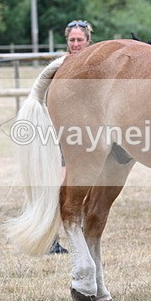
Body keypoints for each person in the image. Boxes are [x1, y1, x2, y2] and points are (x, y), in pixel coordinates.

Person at [49, 20, 94, 254]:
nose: (75, 44)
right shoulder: (59, 66)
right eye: (72, 40)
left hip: (90, 136)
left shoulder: (97, 67)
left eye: (80, 40)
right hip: (65, 133)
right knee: (62, 183)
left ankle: (86, 235)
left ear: (88, 41)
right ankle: (52, 237)